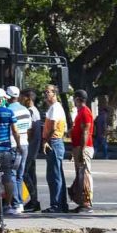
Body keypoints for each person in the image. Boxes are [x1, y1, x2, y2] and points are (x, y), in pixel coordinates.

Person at [42, 84, 68, 213]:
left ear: (54, 94)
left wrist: (45, 141)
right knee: (56, 174)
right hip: (55, 142)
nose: (46, 94)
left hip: (54, 142)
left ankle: (56, 205)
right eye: (45, 92)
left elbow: (52, 127)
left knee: (54, 175)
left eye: (48, 92)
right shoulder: (54, 108)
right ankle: (61, 204)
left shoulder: (55, 108)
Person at [6, 86, 32, 214]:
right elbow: (29, 128)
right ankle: (20, 203)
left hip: (13, 144)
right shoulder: (26, 111)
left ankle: (16, 204)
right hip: (24, 143)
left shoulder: (8, 110)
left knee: (11, 174)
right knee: (19, 175)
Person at [69, 90, 94, 213]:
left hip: (83, 147)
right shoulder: (80, 112)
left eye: (74, 98)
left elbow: (86, 131)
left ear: (78, 99)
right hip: (79, 147)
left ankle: (87, 203)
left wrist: (82, 150)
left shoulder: (85, 112)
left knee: (84, 175)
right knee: (80, 175)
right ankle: (82, 200)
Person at [21, 88, 42, 212]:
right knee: (31, 175)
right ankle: (34, 201)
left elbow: (31, 131)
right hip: (33, 147)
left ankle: (34, 200)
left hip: (30, 147)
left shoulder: (30, 111)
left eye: (22, 97)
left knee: (25, 173)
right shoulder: (34, 111)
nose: (20, 99)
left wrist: (26, 142)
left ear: (28, 98)